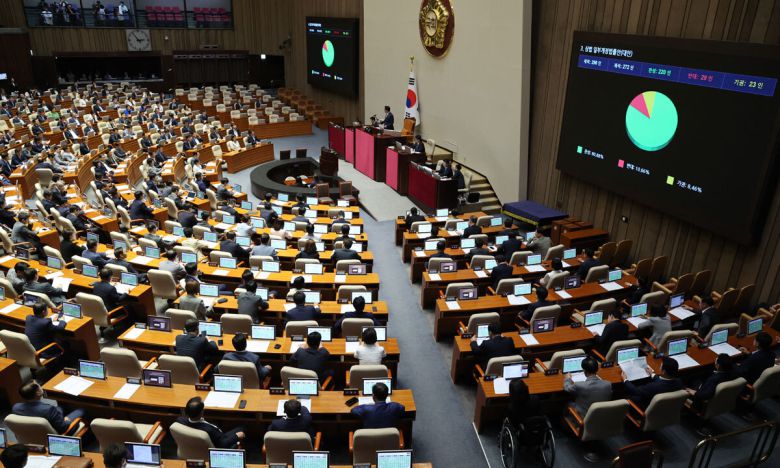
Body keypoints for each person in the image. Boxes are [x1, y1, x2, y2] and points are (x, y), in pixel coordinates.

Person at [13, 380, 86, 434]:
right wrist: (66, 420)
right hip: (60, 431)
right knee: (81, 410)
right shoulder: (48, 409)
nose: (40, 386)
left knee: (60, 407)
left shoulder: (16, 408)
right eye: (39, 385)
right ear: (38, 393)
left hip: (33, 433)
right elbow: (63, 428)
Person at [176, 396, 245, 448]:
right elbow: (221, 444)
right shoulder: (210, 430)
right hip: (219, 442)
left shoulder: (180, 420)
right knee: (242, 428)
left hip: (194, 447)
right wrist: (236, 436)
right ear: (201, 412)